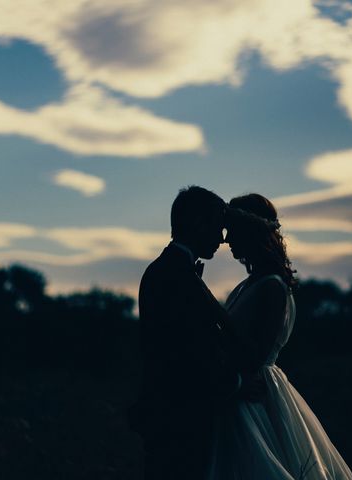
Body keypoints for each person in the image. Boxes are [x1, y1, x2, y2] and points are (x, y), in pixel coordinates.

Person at [207, 193, 352, 480]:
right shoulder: (248, 285)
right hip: (237, 393)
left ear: (250, 231)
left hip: (256, 397)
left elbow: (256, 354)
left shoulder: (272, 287)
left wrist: (211, 309)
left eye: (232, 230)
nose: (226, 239)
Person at [133, 186, 261, 480]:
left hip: (178, 417)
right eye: (218, 227)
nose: (221, 238)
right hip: (177, 419)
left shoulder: (171, 271)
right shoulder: (173, 276)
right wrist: (238, 383)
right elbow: (184, 354)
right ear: (198, 224)